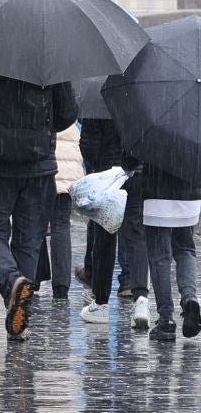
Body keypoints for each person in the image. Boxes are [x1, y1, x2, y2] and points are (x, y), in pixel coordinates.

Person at [0, 69, 77, 340]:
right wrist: (38, 128)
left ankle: (12, 283)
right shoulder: (49, 55)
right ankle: (19, 313)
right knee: (29, 241)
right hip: (38, 164)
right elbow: (68, 112)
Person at [78, 119, 151, 325]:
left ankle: (101, 304)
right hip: (136, 172)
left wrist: (98, 163)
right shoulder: (140, 97)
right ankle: (141, 300)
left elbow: (88, 145)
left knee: (104, 236)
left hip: (106, 175)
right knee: (136, 234)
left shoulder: (98, 95)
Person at [128, 162, 201, 342]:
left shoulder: (152, 133)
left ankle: (166, 319)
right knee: (185, 249)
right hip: (188, 190)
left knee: (160, 257)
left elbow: (131, 158)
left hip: (157, 192)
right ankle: (189, 297)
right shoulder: (192, 132)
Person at [48, 124, 84, 300]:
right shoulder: (70, 95)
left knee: (32, 223)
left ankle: (32, 278)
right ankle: (61, 285)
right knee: (61, 224)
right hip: (67, 162)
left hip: (40, 156)